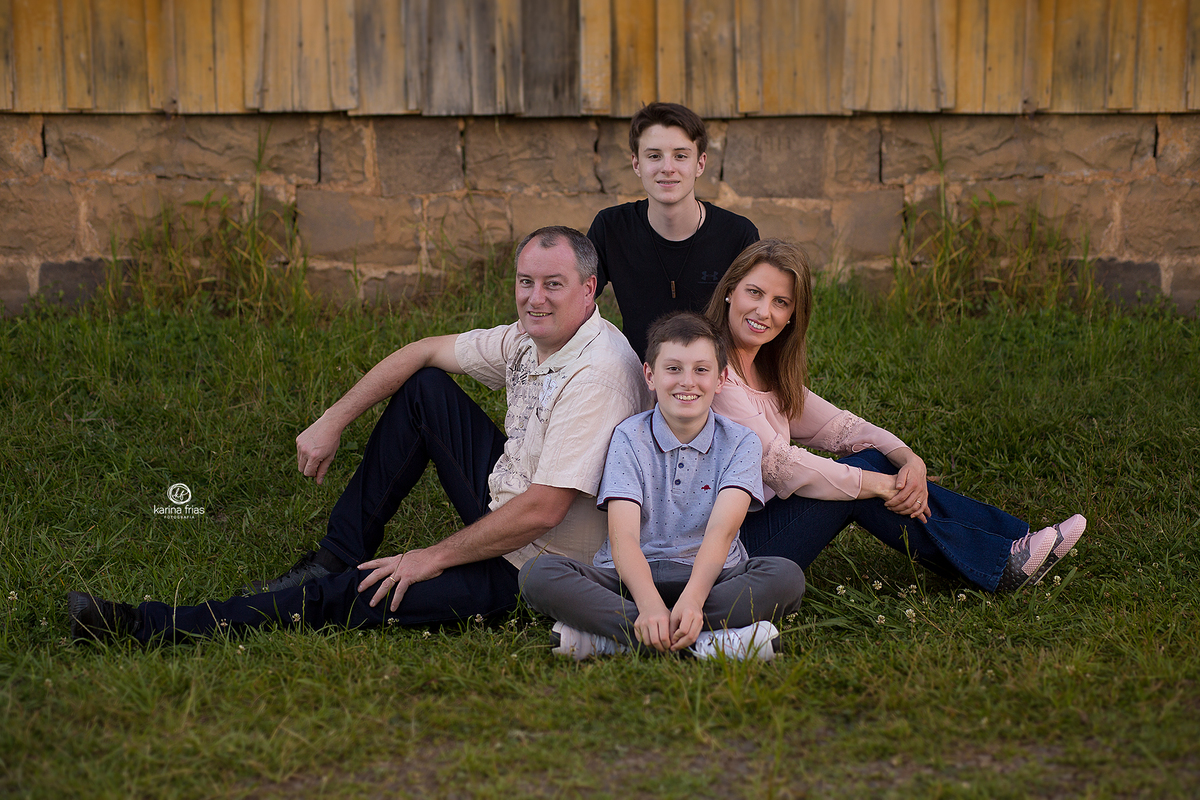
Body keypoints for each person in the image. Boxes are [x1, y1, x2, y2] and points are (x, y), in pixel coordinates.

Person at [68, 226, 651, 643]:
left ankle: (150, 625)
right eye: (526, 282)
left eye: (553, 284)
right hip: (512, 504)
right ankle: (336, 554)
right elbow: (424, 350)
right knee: (426, 390)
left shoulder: (597, 373)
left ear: (589, 289)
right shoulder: (534, 335)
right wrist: (332, 420)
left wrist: (431, 556)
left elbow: (544, 511)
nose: (535, 297)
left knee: (357, 596)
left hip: (541, 566)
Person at [705, 239, 1087, 593]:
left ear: (792, 316)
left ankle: (1014, 543)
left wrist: (908, 460)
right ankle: (1002, 562)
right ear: (729, 291)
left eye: (780, 302)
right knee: (859, 486)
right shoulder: (712, 372)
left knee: (871, 461)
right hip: (729, 552)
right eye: (754, 293)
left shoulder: (766, 371)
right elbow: (785, 467)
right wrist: (885, 486)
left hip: (754, 528)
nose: (763, 311)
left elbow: (840, 427)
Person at [519, 312, 805, 661]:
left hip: (713, 578)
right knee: (538, 573)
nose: (688, 382)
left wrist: (694, 599)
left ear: (721, 379)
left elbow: (721, 532)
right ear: (650, 376)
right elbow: (623, 538)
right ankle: (710, 642)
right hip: (628, 582)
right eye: (673, 369)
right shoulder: (628, 436)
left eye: (701, 369)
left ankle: (619, 638)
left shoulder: (741, 442)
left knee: (785, 576)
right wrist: (649, 603)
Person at [588, 102, 759, 361]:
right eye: (654, 156)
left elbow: (758, 319)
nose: (667, 167)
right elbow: (575, 299)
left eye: (680, 155)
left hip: (715, 375)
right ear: (636, 164)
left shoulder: (738, 235)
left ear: (700, 164)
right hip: (637, 374)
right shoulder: (611, 228)